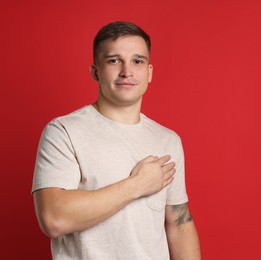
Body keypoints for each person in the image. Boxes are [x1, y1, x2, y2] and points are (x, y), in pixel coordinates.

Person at [32, 21, 201, 260]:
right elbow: (54, 219)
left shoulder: (167, 140)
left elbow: (179, 224)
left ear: (149, 72)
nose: (127, 71)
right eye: (114, 60)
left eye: (137, 61)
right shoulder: (63, 131)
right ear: (95, 71)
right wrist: (136, 186)